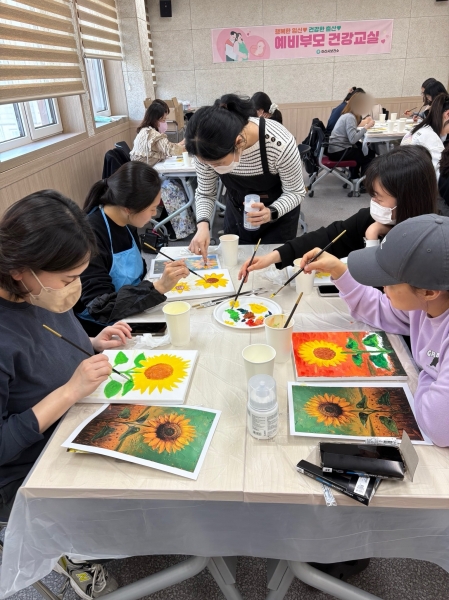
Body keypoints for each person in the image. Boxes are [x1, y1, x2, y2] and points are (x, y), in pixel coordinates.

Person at [0, 190, 130, 596]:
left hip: (76, 416)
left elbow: (47, 341)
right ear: (21, 270)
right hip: (28, 465)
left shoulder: (36, 290)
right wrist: (70, 391)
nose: (75, 289)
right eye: (68, 279)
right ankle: (72, 554)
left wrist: (91, 342)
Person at [298, 213, 449, 447]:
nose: (382, 287)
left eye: (389, 282)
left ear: (429, 292)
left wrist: (427, 373)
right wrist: (339, 270)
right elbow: (382, 310)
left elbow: (438, 426)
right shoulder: (424, 305)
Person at [238, 145, 438, 277]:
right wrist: (273, 256)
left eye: (378, 197)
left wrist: (372, 238)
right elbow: (328, 236)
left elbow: (378, 286)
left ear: (407, 199)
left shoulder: (430, 243)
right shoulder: (370, 218)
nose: (373, 202)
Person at [75, 162, 189, 336]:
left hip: (133, 308)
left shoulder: (126, 222)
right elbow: (100, 307)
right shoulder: (90, 237)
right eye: (152, 209)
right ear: (128, 208)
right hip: (105, 327)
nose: (154, 214)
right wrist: (158, 287)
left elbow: (136, 271)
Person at [184, 94, 306, 258]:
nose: (212, 168)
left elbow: (295, 192)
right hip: (238, 213)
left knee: (274, 267)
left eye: (218, 164)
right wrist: (203, 225)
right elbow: (206, 193)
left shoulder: (279, 144)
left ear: (238, 142)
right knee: (235, 263)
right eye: (207, 164)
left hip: (278, 217)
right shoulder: (203, 148)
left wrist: (271, 212)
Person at [130, 101, 196, 239]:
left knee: (177, 183)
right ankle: (176, 229)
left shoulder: (146, 131)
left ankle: (176, 224)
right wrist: (192, 145)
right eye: (163, 120)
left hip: (142, 175)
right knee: (173, 188)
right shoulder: (151, 135)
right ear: (155, 118)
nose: (165, 123)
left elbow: (169, 148)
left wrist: (182, 143)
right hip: (144, 180)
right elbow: (172, 150)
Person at [328, 92, 376, 180]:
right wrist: (367, 127)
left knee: (360, 149)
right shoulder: (350, 117)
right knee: (368, 155)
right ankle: (363, 182)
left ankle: (354, 177)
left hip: (335, 149)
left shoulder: (347, 115)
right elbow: (353, 139)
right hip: (339, 151)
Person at [401, 93, 449, 178]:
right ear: (447, 114)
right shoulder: (432, 139)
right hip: (411, 182)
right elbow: (440, 177)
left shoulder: (421, 128)